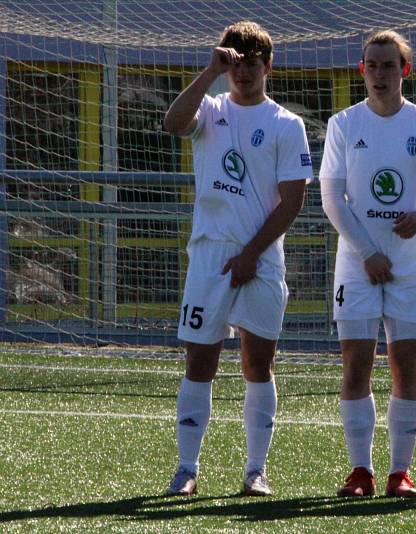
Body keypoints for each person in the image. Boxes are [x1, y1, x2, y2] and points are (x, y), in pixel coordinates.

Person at [162, 21, 312, 497]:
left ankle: (255, 470)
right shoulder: (209, 109)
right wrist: (209, 72)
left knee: (257, 364)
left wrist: (251, 253)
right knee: (199, 362)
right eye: (236, 62)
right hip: (209, 257)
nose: (243, 71)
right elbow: (172, 123)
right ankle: (186, 469)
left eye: (252, 63)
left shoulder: (287, 124)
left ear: (268, 66)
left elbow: (292, 201)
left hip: (262, 261)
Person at [319, 30, 416, 499]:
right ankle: (361, 472)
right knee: (356, 365)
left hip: (410, 265)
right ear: (362, 71)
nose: (379, 74)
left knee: (405, 366)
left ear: (405, 71)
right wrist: (367, 252)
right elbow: (332, 198)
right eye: (372, 66)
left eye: (388, 66)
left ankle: (401, 473)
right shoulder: (343, 124)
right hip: (357, 264)